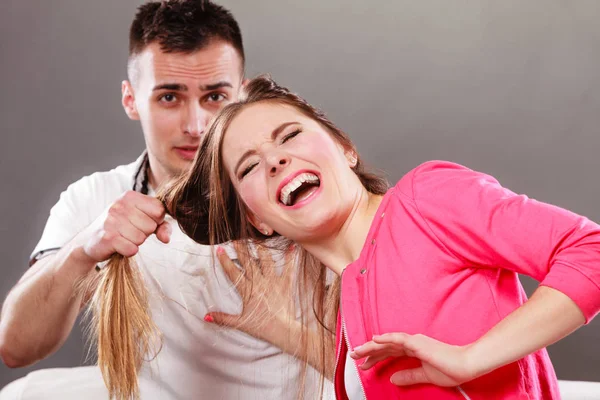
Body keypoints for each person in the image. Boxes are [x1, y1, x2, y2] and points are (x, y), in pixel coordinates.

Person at [162, 75, 600, 399]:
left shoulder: (427, 200)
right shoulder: (348, 310)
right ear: (260, 220)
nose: (275, 159)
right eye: (249, 166)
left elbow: (591, 250)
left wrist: (472, 358)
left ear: (345, 148)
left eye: (290, 135)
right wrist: (286, 333)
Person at [0, 3, 327, 399]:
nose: (196, 126)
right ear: (131, 99)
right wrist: (83, 250)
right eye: (169, 97)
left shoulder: (292, 187)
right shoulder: (96, 197)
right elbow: (16, 346)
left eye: (215, 97)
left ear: (242, 96)